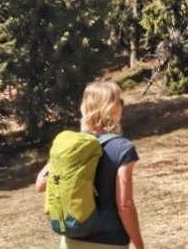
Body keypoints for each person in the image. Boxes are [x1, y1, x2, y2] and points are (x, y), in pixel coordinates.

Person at [36, 81, 146, 249]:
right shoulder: (123, 148)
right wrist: (139, 245)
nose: (122, 106)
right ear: (112, 108)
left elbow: (40, 184)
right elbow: (125, 205)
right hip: (109, 241)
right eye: (120, 101)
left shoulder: (71, 146)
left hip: (72, 238)